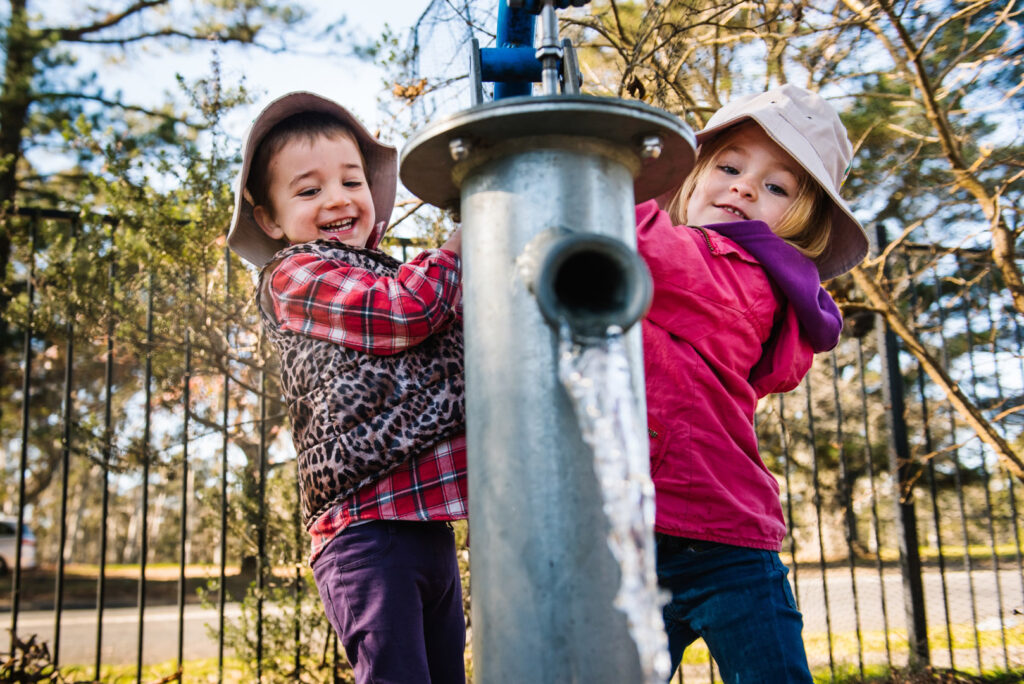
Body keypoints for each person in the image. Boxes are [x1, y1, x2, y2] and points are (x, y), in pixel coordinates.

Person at [227, 91, 468, 684]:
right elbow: (403, 313)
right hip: (364, 530)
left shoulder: (388, 270)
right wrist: (465, 241)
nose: (337, 199)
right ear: (270, 220)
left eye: (351, 182)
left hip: (426, 525)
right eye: (308, 191)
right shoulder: (294, 274)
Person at [635, 84, 868, 681]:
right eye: (730, 166)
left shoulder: (744, 274)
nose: (743, 187)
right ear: (693, 175)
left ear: (802, 220)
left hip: (720, 536)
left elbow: (649, 247)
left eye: (775, 186)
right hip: (632, 536)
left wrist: (597, 166)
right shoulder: (666, 265)